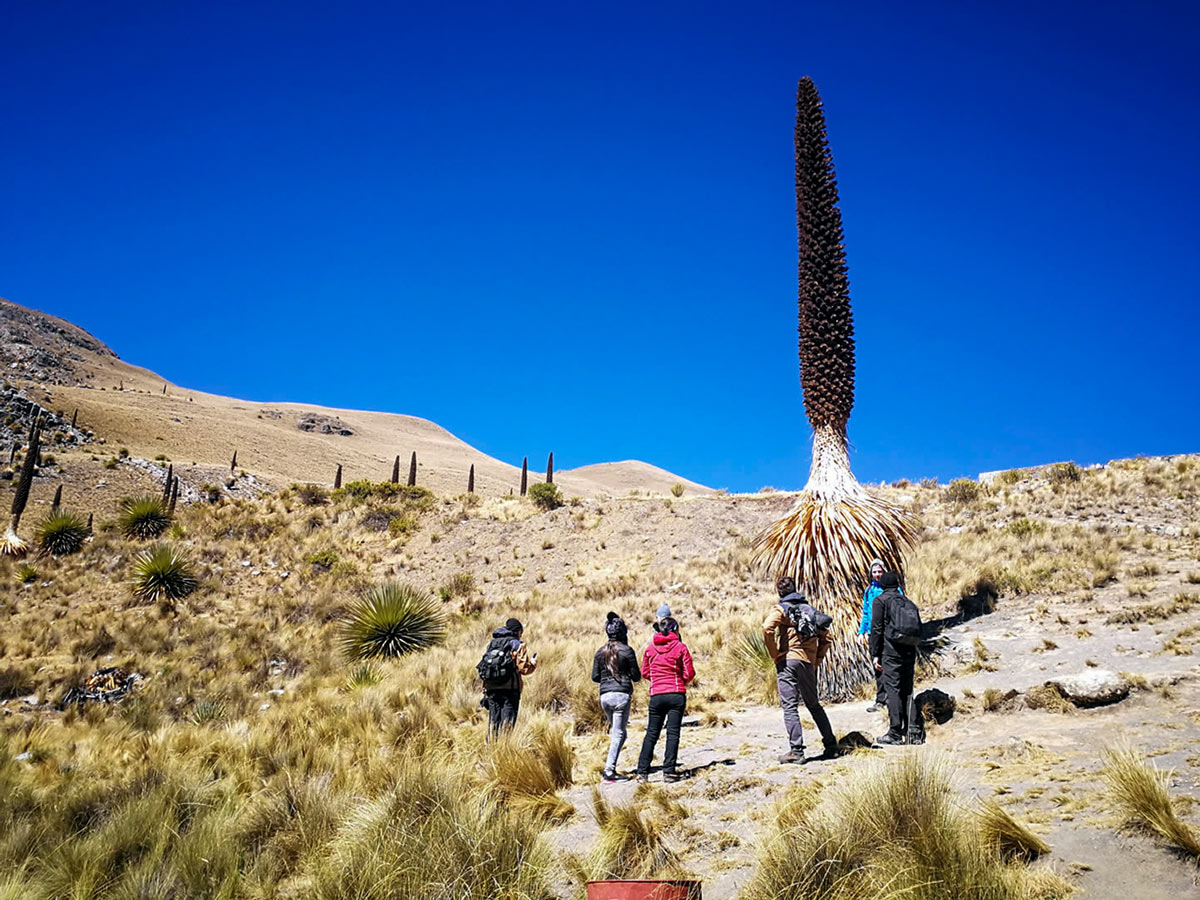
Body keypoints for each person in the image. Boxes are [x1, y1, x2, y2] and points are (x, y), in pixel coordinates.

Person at [762, 575, 840, 763]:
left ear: (779, 592)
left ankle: (797, 751)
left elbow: (767, 628)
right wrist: (816, 660)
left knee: (790, 706)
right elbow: (827, 638)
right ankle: (831, 745)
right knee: (813, 704)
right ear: (795, 589)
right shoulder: (809, 610)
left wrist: (775, 654)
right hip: (807, 663)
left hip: (789, 661)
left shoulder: (782, 609)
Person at [635, 616, 695, 783]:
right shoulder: (680, 647)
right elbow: (689, 673)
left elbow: (645, 672)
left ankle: (642, 772)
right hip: (676, 693)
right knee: (673, 733)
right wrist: (680, 679)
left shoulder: (650, 649)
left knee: (652, 733)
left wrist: (657, 680)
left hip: (656, 695)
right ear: (675, 629)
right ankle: (669, 771)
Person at [591, 611, 642, 783]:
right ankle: (609, 771)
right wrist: (625, 671)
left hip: (605, 696)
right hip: (621, 695)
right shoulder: (627, 651)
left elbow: (595, 677)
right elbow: (636, 677)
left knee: (619, 733)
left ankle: (610, 767)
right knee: (619, 734)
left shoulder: (600, 652)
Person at [869, 572, 918, 745]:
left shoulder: (880, 601)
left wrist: (875, 654)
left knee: (893, 689)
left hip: (891, 652)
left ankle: (895, 732)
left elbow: (876, 629)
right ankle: (913, 731)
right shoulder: (908, 602)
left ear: (882, 585)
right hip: (910, 650)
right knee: (908, 689)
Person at [479, 617, 537, 737]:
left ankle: (490, 750)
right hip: (509, 690)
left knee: (493, 724)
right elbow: (524, 668)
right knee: (507, 725)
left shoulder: (492, 644)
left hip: (491, 690)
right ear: (518, 632)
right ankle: (504, 751)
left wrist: (485, 688)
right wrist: (533, 663)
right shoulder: (517, 644)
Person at [857, 558, 887, 712]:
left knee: (887, 665)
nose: (877, 574)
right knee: (878, 667)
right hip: (872, 634)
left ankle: (891, 698)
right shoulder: (869, 591)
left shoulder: (890, 588)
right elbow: (866, 613)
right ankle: (881, 699)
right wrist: (862, 632)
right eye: (874, 572)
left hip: (887, 633)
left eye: (879, 571)